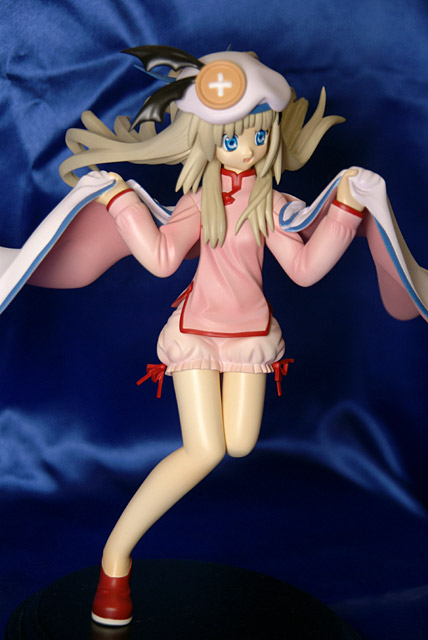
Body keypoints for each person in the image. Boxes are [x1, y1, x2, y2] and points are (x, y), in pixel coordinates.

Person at [54, 45, 366, 626]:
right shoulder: (201, 202)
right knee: (206, 449)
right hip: (197, 332)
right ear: (206, 141)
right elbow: (161, 259)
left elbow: (304, 270)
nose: (246, 149)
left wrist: (347, 211)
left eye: (257, 136)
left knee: (239, 445)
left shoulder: (273, 204)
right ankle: (114, 561)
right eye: (231, 140)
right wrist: (120, 201)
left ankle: (117, 556)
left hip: (250, 336)